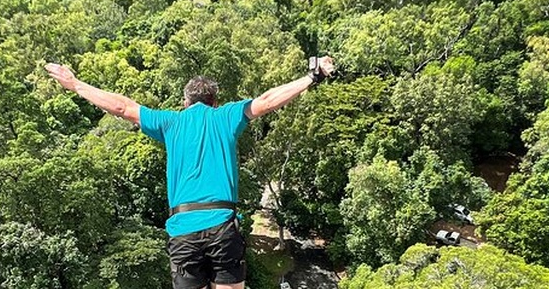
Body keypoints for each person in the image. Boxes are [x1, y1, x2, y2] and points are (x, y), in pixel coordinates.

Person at [46, 56, 334, 289]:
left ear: (185, 102)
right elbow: (268, 100)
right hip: (222, 227)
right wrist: (312, 76)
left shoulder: (170, 122)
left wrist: (75, 84)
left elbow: (122, 106)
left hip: (183, 230)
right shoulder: (226, 115)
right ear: (215, 101)